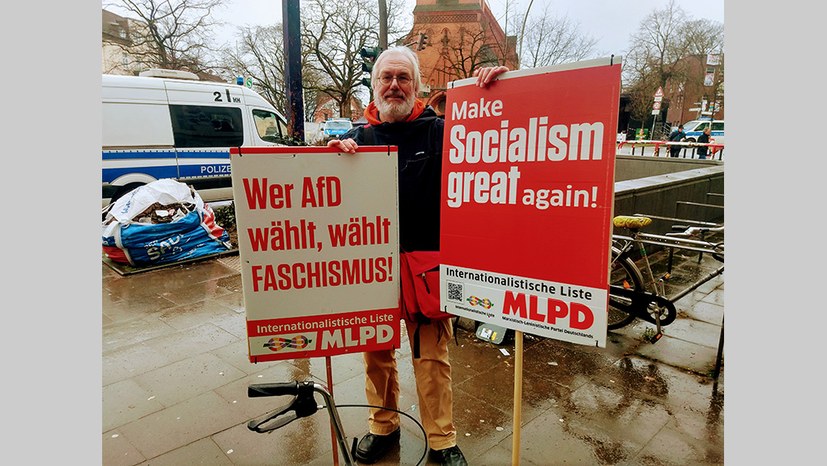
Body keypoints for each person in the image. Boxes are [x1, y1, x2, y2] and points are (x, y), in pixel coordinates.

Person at [327, 46, 508, 466]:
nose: (394, 85)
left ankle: (442, 440)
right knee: (376, 356)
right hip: (372, 271)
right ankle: (383, 427)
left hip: (427, 269)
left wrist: (504, 90)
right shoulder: (357, 140)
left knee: (432, 361)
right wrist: (333, 162)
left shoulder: (442, 131)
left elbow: (499, 137)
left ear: (417, 86)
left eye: (403, 78)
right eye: (385, 78)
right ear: (373, 88)